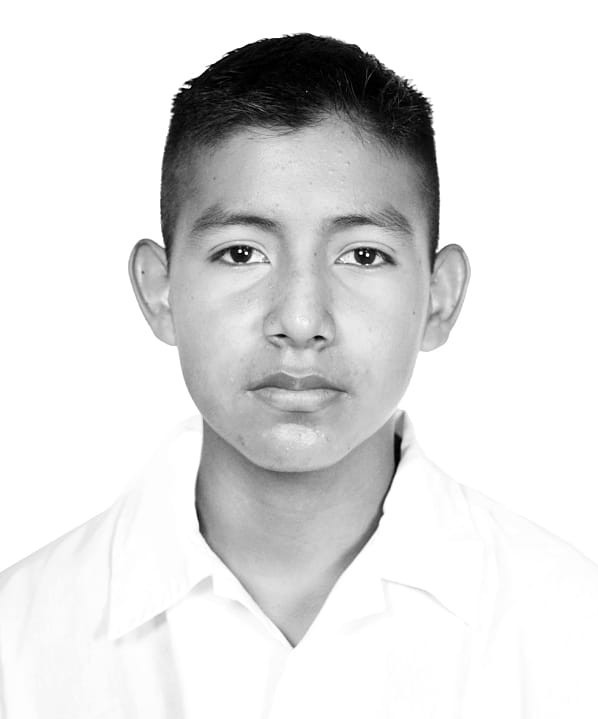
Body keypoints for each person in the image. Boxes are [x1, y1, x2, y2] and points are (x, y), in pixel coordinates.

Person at [0, 32, 597, 719]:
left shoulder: (574, 633)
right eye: (242, 252)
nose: (301, 319)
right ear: (160, 291)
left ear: (439, 297)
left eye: (363, 255)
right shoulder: (19, 644)